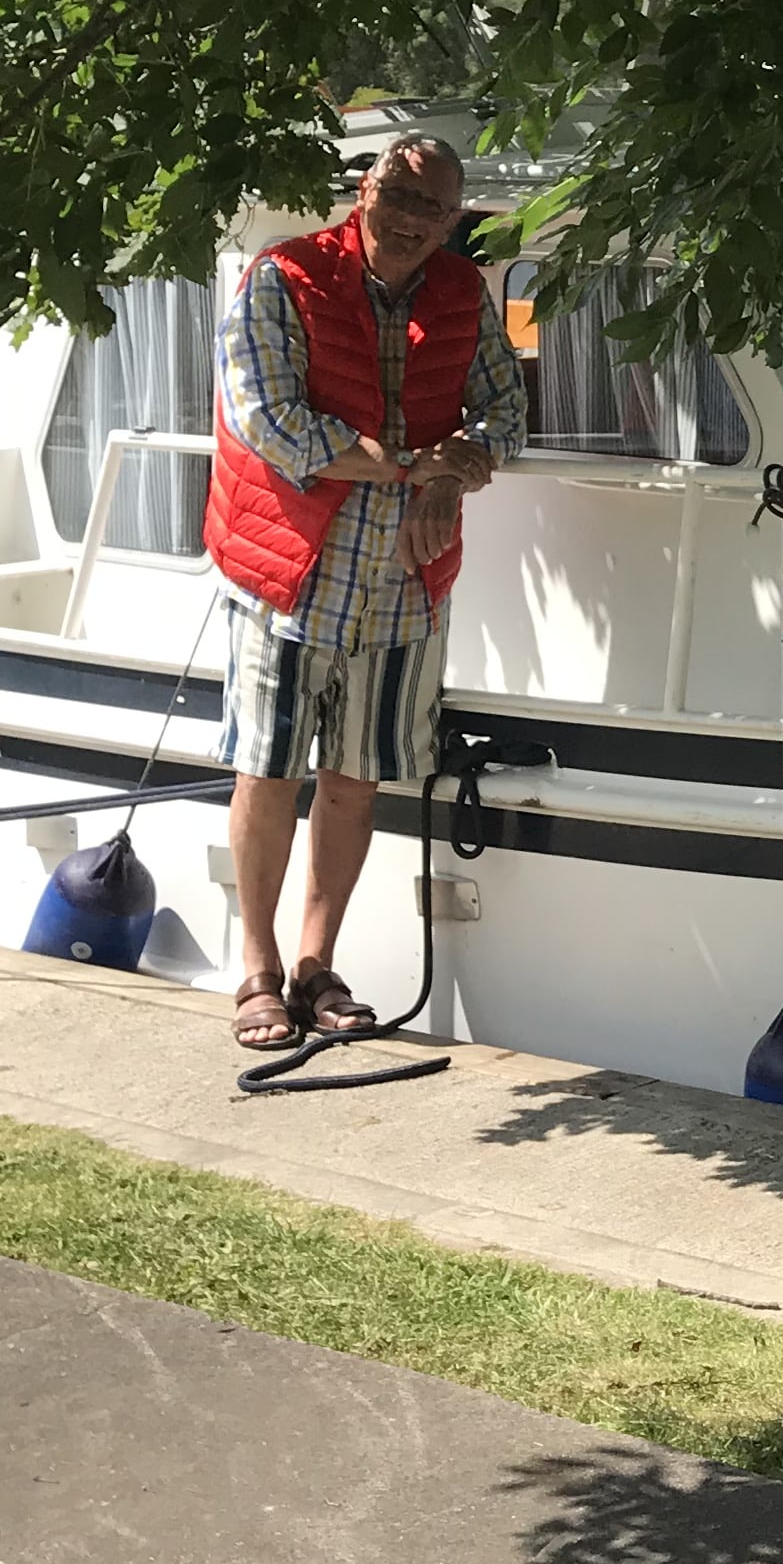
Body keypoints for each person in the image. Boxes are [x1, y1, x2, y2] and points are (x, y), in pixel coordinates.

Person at [203, 133, 526, 1049]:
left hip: (403, 586)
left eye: (435, 208)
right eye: (400, 196)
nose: (414, 220)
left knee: (351, 783)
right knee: (267, 773)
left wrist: (448, 477)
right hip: (287, 576)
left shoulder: (464, 292)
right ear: (363, 190)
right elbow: (269, 420)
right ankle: (257, 971)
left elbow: (504, 409)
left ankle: (316, 966)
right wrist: (410, 467)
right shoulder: (283, 276)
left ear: (455, 219)